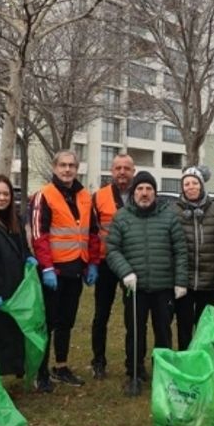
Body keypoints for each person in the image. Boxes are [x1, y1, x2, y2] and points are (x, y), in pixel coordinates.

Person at [106, 171, 189, 396]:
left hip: (164, 287)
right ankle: (134, 373)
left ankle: (162, 372)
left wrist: (181, 281)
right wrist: (125, 273)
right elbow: (112, 249)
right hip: (135, 288)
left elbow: (180, 251)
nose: (145, 193)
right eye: (140, 189)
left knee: (163, 331)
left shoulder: (169, 216)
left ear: (155, 192)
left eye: (149, 189)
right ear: (134, 193)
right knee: (135, 332)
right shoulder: (122, 217)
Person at [30, 150, 100, 391]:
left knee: (66, 321)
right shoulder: (44, 195)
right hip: (54, 271)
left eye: (71, 165)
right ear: (54, 167)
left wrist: (92, 263)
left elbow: (92, 232)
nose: (67, 169)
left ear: (77, 168)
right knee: (48, 322)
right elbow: (40, 235)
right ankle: (40, 372)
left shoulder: (84, 196)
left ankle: (61, 366)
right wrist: (47, 267)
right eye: (63, 165)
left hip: (76, 269)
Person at [0, 175, 34, 378]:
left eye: (5, 194)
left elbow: (23, 247)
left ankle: (15, 368)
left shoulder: (15, 219)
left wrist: (29, 258)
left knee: (13, 331)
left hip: (16, 287)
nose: (1, 198)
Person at [89, 153, 135, 378]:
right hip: (106, 263)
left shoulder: (142, 193)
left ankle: (133, 363)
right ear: (111, 171)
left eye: (126, 168)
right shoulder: (99, 197)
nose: (122, 172)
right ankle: (98, 361)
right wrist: (93, 263)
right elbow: (92, 232)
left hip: (133, 264)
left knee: (134, 315)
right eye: (118, 168)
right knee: (101, 315)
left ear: (133, 171)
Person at [174, 166, 214, 349]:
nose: (191, 187)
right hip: (184, 281)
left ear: (201, 185)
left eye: (194, 183)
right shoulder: (174, 212)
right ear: (182, 187)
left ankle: (203, 360)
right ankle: (185, 360)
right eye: (187, 183)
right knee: (184, 325)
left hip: (209, 281)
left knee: (204, 326)